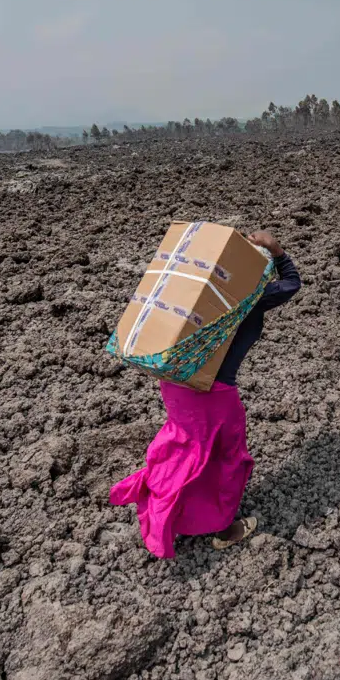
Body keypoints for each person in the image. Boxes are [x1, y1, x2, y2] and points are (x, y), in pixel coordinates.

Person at [110, 231, 301, 557]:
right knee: (226, 460)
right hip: (214, 393)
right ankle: (224, 528)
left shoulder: (191, 293)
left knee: (185, 448)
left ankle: (169, 505)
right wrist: (276, 249)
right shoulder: (251, 297)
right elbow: (293, 283)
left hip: (174, 381)